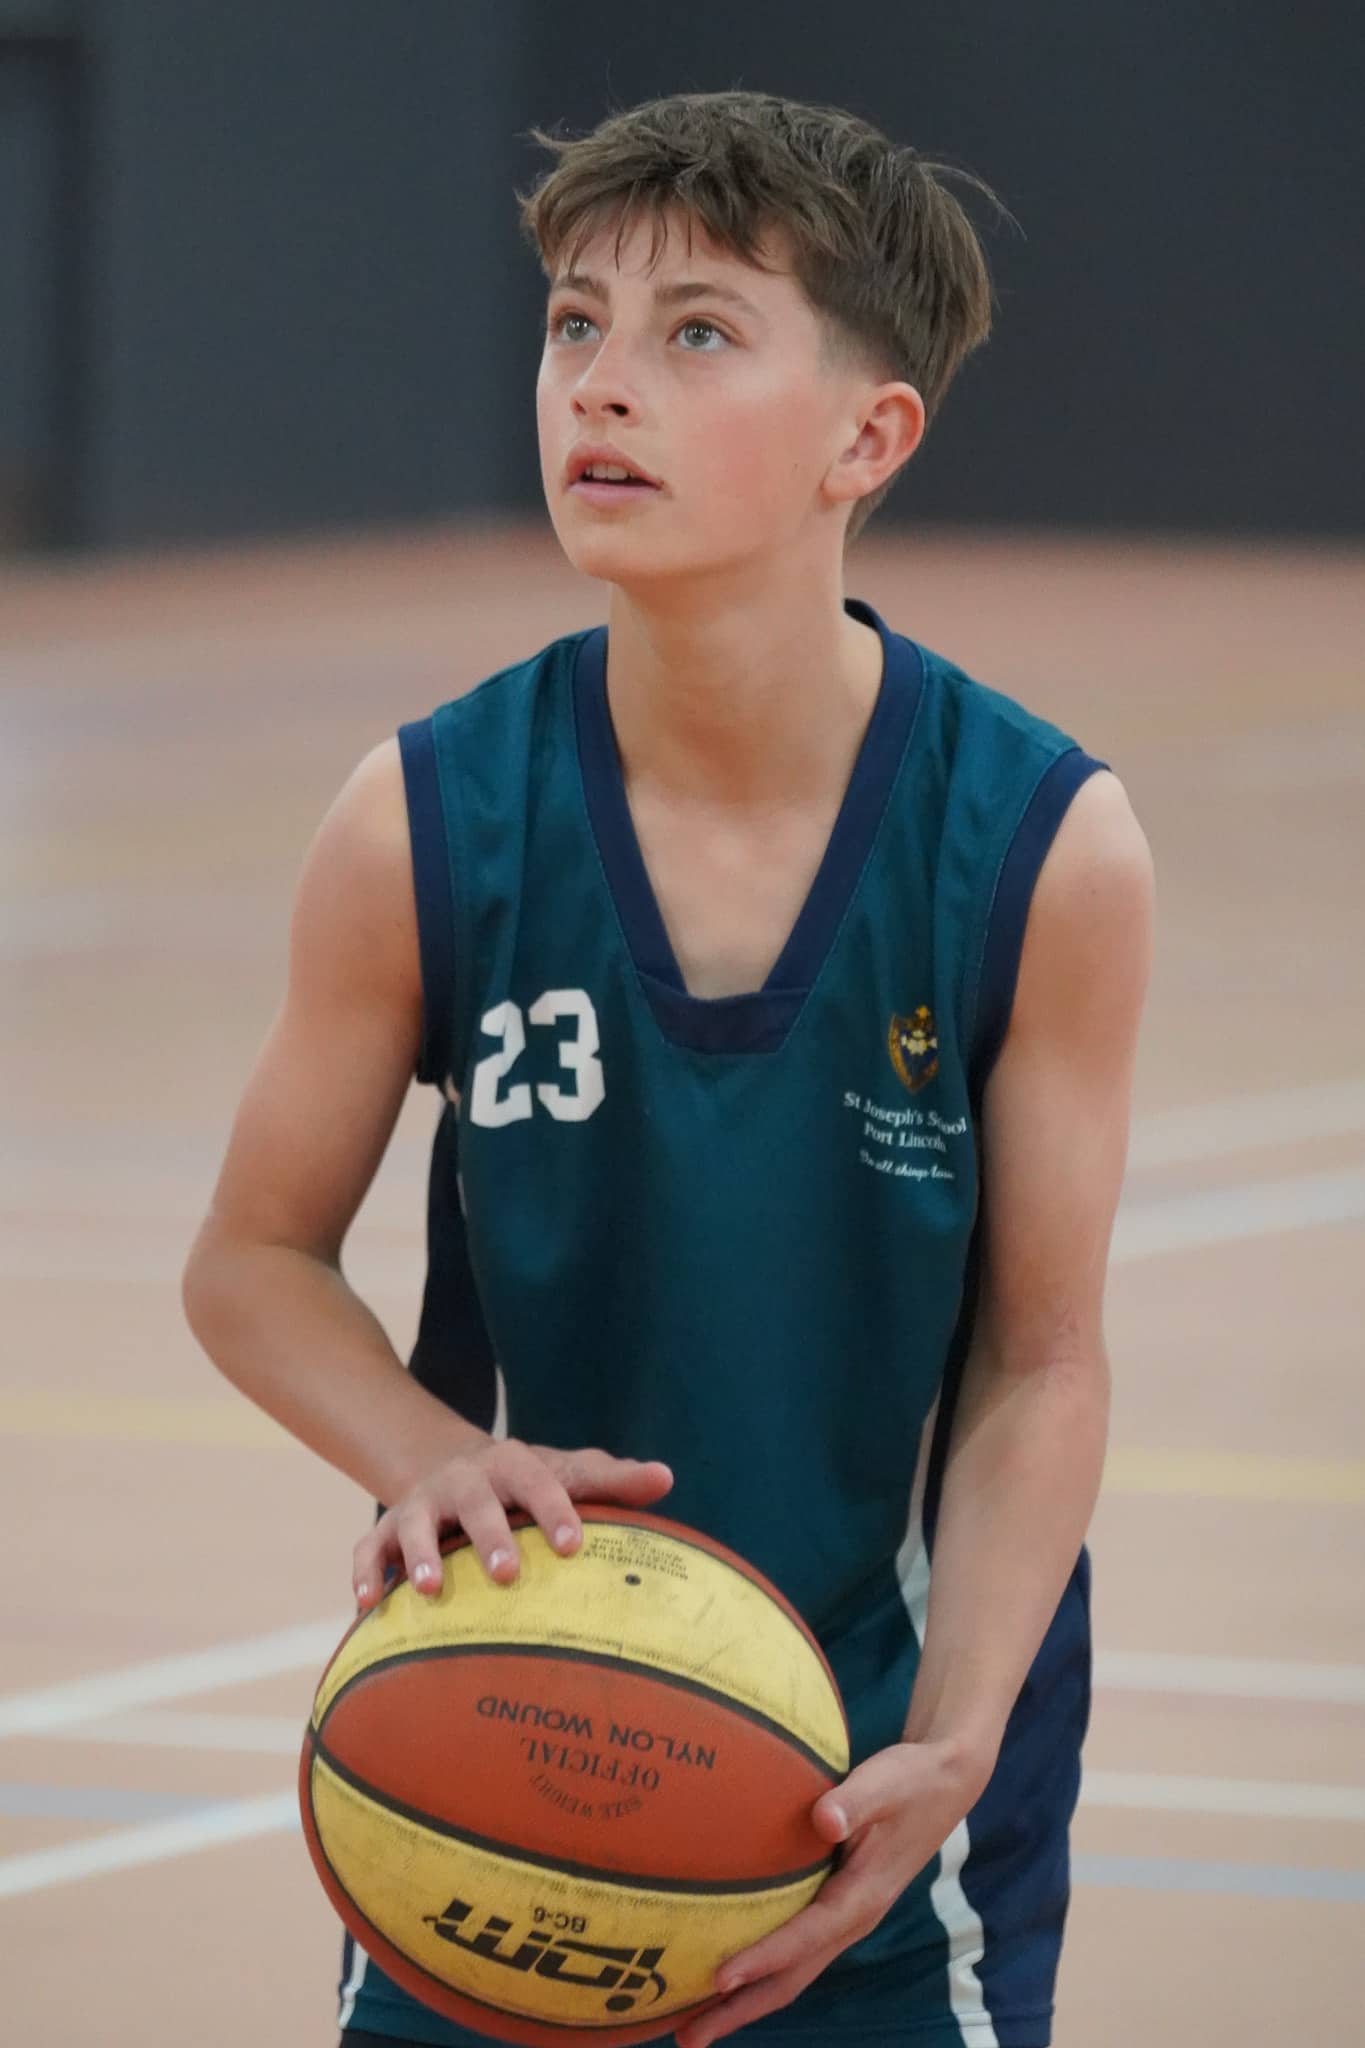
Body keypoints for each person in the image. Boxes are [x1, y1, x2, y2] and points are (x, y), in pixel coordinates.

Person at [182, 89, 1154, 2048]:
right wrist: (432, 1459)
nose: (597, 386)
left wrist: (955, 1734)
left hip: (874, 1815)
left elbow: (1037, 1357)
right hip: (496, 1773)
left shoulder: (1040, 846)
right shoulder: (425, 816)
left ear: (864, 439)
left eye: (694, 331)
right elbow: (251, 1261)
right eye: (571, 325)